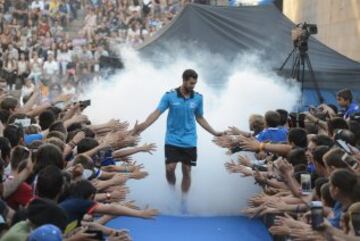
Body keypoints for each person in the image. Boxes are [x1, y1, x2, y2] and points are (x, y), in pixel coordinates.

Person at [133, 69, 223, 194]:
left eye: (195, 83)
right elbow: (156, 113)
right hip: (172, 138)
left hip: (189, 139)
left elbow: (200, 117)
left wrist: (214, 132)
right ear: (184, 80)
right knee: (170, 169)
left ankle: (183, 200)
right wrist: (143, 126)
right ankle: (172, 193)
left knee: (186, 170)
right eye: (191, 83)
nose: (193, 86)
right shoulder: (169, 96)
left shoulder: (198, 98)